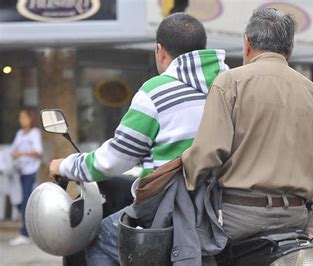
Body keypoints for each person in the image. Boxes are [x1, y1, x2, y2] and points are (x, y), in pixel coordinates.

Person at [48, 13, 228, 265]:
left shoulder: (156, 91)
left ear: (160, 50)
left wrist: (65, 165)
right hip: (223, 206)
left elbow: (112, 161)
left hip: (171, 211)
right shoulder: (230, 85)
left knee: (98, 239)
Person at [182, 8, 313, 242]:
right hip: (294, 221)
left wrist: (185, 178)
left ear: (247, 44)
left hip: (237, 220)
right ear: (289, 51)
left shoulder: (230, 82)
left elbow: (207, 154)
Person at [8, 108, 43, 246]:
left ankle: (25, 233)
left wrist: (21, 154)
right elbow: (13, 149)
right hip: (19, 171)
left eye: (23, 117)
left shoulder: (34, 133)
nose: (21, 120)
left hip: (30, 171)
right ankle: (29, 230)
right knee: (19, 200)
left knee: (26, 202)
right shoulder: (20, 133)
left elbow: (38, 152)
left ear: (30, 119)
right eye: (20, 118)